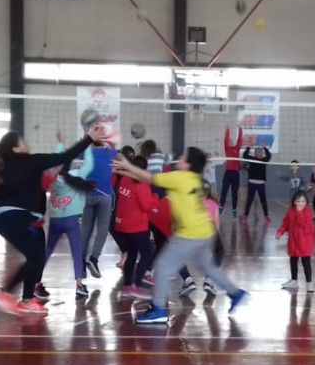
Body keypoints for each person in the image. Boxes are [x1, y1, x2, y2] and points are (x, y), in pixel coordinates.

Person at [112, 146, 249, 324]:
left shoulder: (179, 177)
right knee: (208, 267)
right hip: (206, 232)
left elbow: (148, 177)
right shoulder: (196, 179)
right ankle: (236, 293)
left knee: (161, 267)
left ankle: (159, 309)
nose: (179, 158)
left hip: (189, 234)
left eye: (183, 157)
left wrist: (127, 166)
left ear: (188, 164)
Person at [0, 128, 98, 315]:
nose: (26, 142)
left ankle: (19, 297)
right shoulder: (31, 161)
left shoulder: (1, 168)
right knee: (36, 257)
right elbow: (64, 156)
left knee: (35, 256)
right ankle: (19, 298)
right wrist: (89, 139)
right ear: (15, 149)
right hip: (15, 217)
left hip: (0, 218)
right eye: (22, 140)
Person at [43, 135, 96, 301]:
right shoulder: (77, 176)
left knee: (47, 251)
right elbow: (90, 164)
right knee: (77, 252)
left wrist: (60, 144)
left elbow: (56, 160)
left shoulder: (52, 178)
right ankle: (79, 285)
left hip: (55, 220)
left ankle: (35, 280)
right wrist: (88, 146)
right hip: (72, 220)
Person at [79, 111, 118, 279]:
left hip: (87, 196)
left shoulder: (84, 153)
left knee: (86, 229)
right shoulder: (111, 153)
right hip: (104, 196)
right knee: (102, 229)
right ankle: (93, 259)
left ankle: (80, 263)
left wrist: (87, 131)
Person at [114, 154, 156, 301]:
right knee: (146, 254)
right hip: (137, 226)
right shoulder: (142, 184)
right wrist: (154, 199)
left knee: (131, 255)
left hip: (122, 226)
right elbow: (146, 206)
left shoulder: (124, 180)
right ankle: (136, 285)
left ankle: (127, 286)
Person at [276, 191, 315, 292]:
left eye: (303, 201)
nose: (301, 204)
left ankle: (309, 283)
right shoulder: (290, 211)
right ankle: (294, 281)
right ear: (294, 202)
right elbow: (285, 223)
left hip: (305, 243)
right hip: (293, 242)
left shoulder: (307, 213)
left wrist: (299, 213)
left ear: (306, 202)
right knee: (293, 261)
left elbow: (305, 226)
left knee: (306, 262)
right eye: (298, 201)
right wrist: (280, 232)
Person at [241, 145, 271, 223]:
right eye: (257, 151)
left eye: (260, 151)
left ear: (262, 153)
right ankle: (245, 216)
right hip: (252, 182)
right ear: (255, 153)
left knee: (263, 200)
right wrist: (248, 148)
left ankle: (266, 215)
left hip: (261, 183)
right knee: (249, 200)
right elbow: (245, 156)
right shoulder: (252, 159)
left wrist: (265, 148)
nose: (259, 152)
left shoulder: (264, 160)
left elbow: (269, 156)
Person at [220, 126, 244, 218]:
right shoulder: (227, 149)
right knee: (224, 191)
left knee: (234, 192)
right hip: (228, 173)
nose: (230, 142)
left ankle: (234, 209)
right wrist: (227, 129)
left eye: (231, 141)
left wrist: (240, 129)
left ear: (233, 143)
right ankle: (221, 207)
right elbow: (225, 139)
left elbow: (240, 140)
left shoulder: (236, 148)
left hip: (235, 174)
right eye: (229, 141)